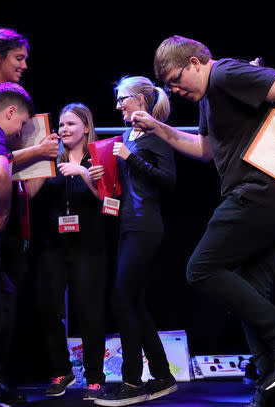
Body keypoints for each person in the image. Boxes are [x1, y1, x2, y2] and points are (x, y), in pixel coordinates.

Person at [131, 35, 275, 406]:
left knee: (200, 270)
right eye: (168, 86)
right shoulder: (209, 97)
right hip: (270, 200)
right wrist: (159, 128)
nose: (175, 89)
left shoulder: (225, 73)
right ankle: (274, 390)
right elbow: (204, 150)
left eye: (175, 79)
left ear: (197, 62)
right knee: (252, 294)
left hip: (259, 194)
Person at [93, 76, 177, 406]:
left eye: (122, 99)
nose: (117, 106)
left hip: (146, 226)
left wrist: (131, 158)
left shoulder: (158, 134)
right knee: (133, 302)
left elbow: (168, 181)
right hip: (127, 224)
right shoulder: (129, 134)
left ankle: (131, 381)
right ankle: (161, 374)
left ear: (141, 100)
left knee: (122, 299)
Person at [0, 27, 58, 405]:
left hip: (4, 216)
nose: (25, 66)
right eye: (18, 58)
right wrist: (2, 210)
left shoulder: (4, 109)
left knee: (3, 300)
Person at [26, 103, 107, 401]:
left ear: (86, 127)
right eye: (61, 124)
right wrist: (38, 159)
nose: (64, 129)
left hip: (89, 247)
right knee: (48, 308)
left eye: (71, 124)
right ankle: (61, 371)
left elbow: (109, 201)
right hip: (52, 246)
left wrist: (83, 172)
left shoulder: (98, 157)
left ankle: (95, 377)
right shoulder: (51, 160)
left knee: (90, 313)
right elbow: (31, 194)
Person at [0, 82, 34, 407]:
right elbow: (0, 171)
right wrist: (2, 213)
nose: (19, 133)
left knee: (2, 297)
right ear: (11, 112)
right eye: (21, 125)